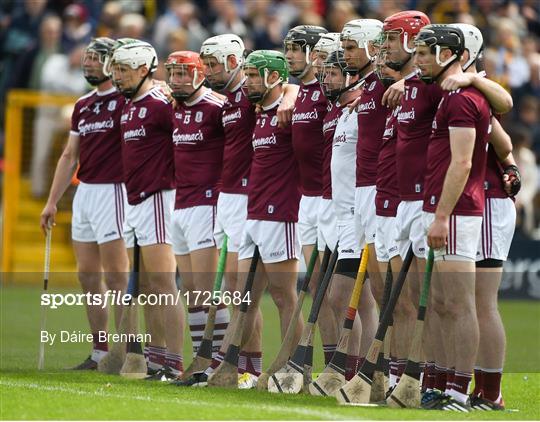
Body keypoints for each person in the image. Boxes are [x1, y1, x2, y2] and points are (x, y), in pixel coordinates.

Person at [414, 24, 492, 411]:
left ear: (450, 55)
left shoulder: (462, 100)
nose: (419, 60)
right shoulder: (448, 97)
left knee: (459, 304)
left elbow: (462, 163)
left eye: (427, 53)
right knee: (442, 304)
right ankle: (444, 384)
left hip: (457, 212)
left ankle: (460, 391)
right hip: (442, 208)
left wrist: (442, 216)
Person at [40, 37, 128, 370]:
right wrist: (52, 201)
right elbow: (68, 155)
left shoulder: (125, 101)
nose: (88, 62)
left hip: (115, 191)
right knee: (87, 275)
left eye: (95, 58)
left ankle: (126, 349)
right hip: (86, 192)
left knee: (118, 276)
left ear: (112, 63)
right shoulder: (83, 104)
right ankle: (100, 351)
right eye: (87, 57)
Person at [443, 22, 518, 411]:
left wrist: (508, 163)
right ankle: (472, 385)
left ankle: (491, 391)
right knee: (460, 302)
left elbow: (502, 130)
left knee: (479, 301)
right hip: (472, 201)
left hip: (486, 201)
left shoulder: (473, 87)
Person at [110, 40, 185, 380]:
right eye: (115, 70)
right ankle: (155, 359)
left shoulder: (161, 103)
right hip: (135, 201)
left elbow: (186, 139)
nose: (116, 76)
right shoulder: (128, 105)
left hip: (158, 197)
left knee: (163, 282)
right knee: (146, 288)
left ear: (144, 70)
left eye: (123, 70)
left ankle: (175, 360)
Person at [235, 50, 303, 365]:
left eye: (251, 76)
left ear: (273, 77)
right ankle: (241, 364)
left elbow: (303, 91)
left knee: (283, 297)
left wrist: (291, 94)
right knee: (243, 297)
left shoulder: (290, 111)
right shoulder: (259, 111)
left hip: (281, 213)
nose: (245, 82)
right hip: (253, 213)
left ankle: (290, 367)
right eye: (245, 75)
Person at [164, 50, 229, 366]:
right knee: (190, 291)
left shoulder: (216, 107)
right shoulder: (173, 108)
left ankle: (218, 361)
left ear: (200, 74)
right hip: (180, 204)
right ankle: (199, 360)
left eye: (182, 74)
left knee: (208, 290)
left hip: (208, 204)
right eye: (172, 74)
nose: (175, 80)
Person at [284, 24, 339, 367]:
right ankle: (333, 366)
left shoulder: (329, 93)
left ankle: (350, 366)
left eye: (299, 48)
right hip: (307, 198)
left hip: (331, 198)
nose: (291, 54)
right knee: (318, 287)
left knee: (341, 293)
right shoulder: (302, 91)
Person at [339, 17, 384, 375]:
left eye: (352, 47)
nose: (346, 55)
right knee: (372, 293)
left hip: (382, 194)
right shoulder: (363, 87)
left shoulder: (387, 82)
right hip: (359, 196)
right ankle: (370, 371)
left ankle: (390, 370)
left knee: (383, 293)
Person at [321, 48, 367, 380]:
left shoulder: (363, 107)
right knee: (359, 299)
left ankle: (360, 374)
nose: (326, 79)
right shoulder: (342, 112)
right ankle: (360, 375)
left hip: (358, 214)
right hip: (340, 214)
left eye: (333, 73)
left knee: (342, 296)